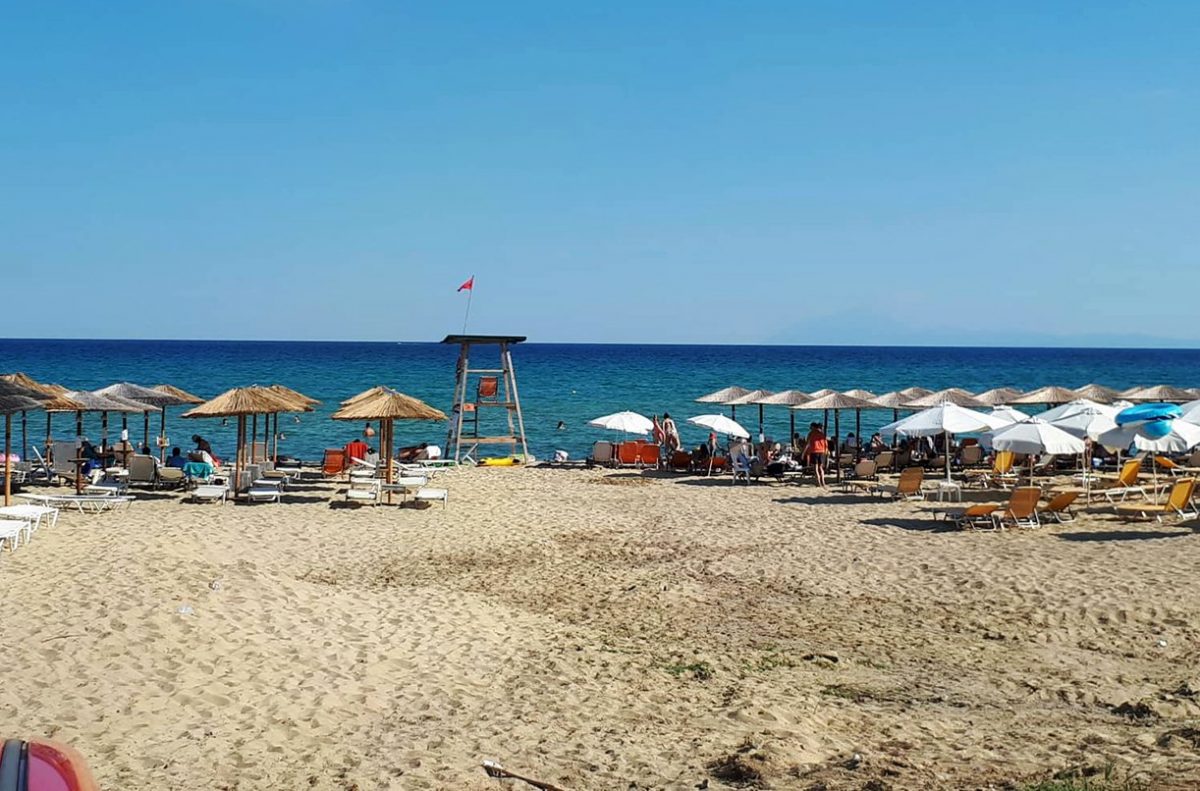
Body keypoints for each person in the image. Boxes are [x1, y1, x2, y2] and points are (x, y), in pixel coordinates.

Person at [804, 422, 828, 488]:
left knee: (816, 468)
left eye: (811, 427)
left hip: (814, 451)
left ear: (813, 427)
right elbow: (826, 444)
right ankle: (823, 482)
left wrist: (803, 452)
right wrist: (825, 452)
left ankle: (818, 483)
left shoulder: (811, 433)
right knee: (821, 468)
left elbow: (807, 443)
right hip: (822, 451)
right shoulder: (822, 434)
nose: (810, 428)